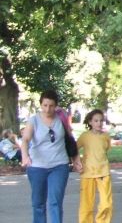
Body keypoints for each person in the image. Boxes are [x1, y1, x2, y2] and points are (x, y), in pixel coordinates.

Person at [21, 89, 76, 223]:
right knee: (38, 203)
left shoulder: (61, 119)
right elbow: (25, 140)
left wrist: (76, 159)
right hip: (37, 167)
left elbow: (70, 140)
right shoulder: (33, 120)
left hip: (59, 166)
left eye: (51, 105)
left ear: (56, 105)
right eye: (45, 105)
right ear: (41, 105)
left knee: (55, 202)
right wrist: (25, 156)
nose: (47, 109)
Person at [77, 109, 112, 223]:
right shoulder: (84, 136)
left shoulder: (106, 136)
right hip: (87, 173)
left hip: (103, 172)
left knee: (106, 203)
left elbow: (105, 150)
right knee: (86, 204)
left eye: (101, 121)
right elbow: (74, 149)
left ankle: (102, 221)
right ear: (90, 122)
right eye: (96, 121)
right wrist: (77, 162)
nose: (99, 123)